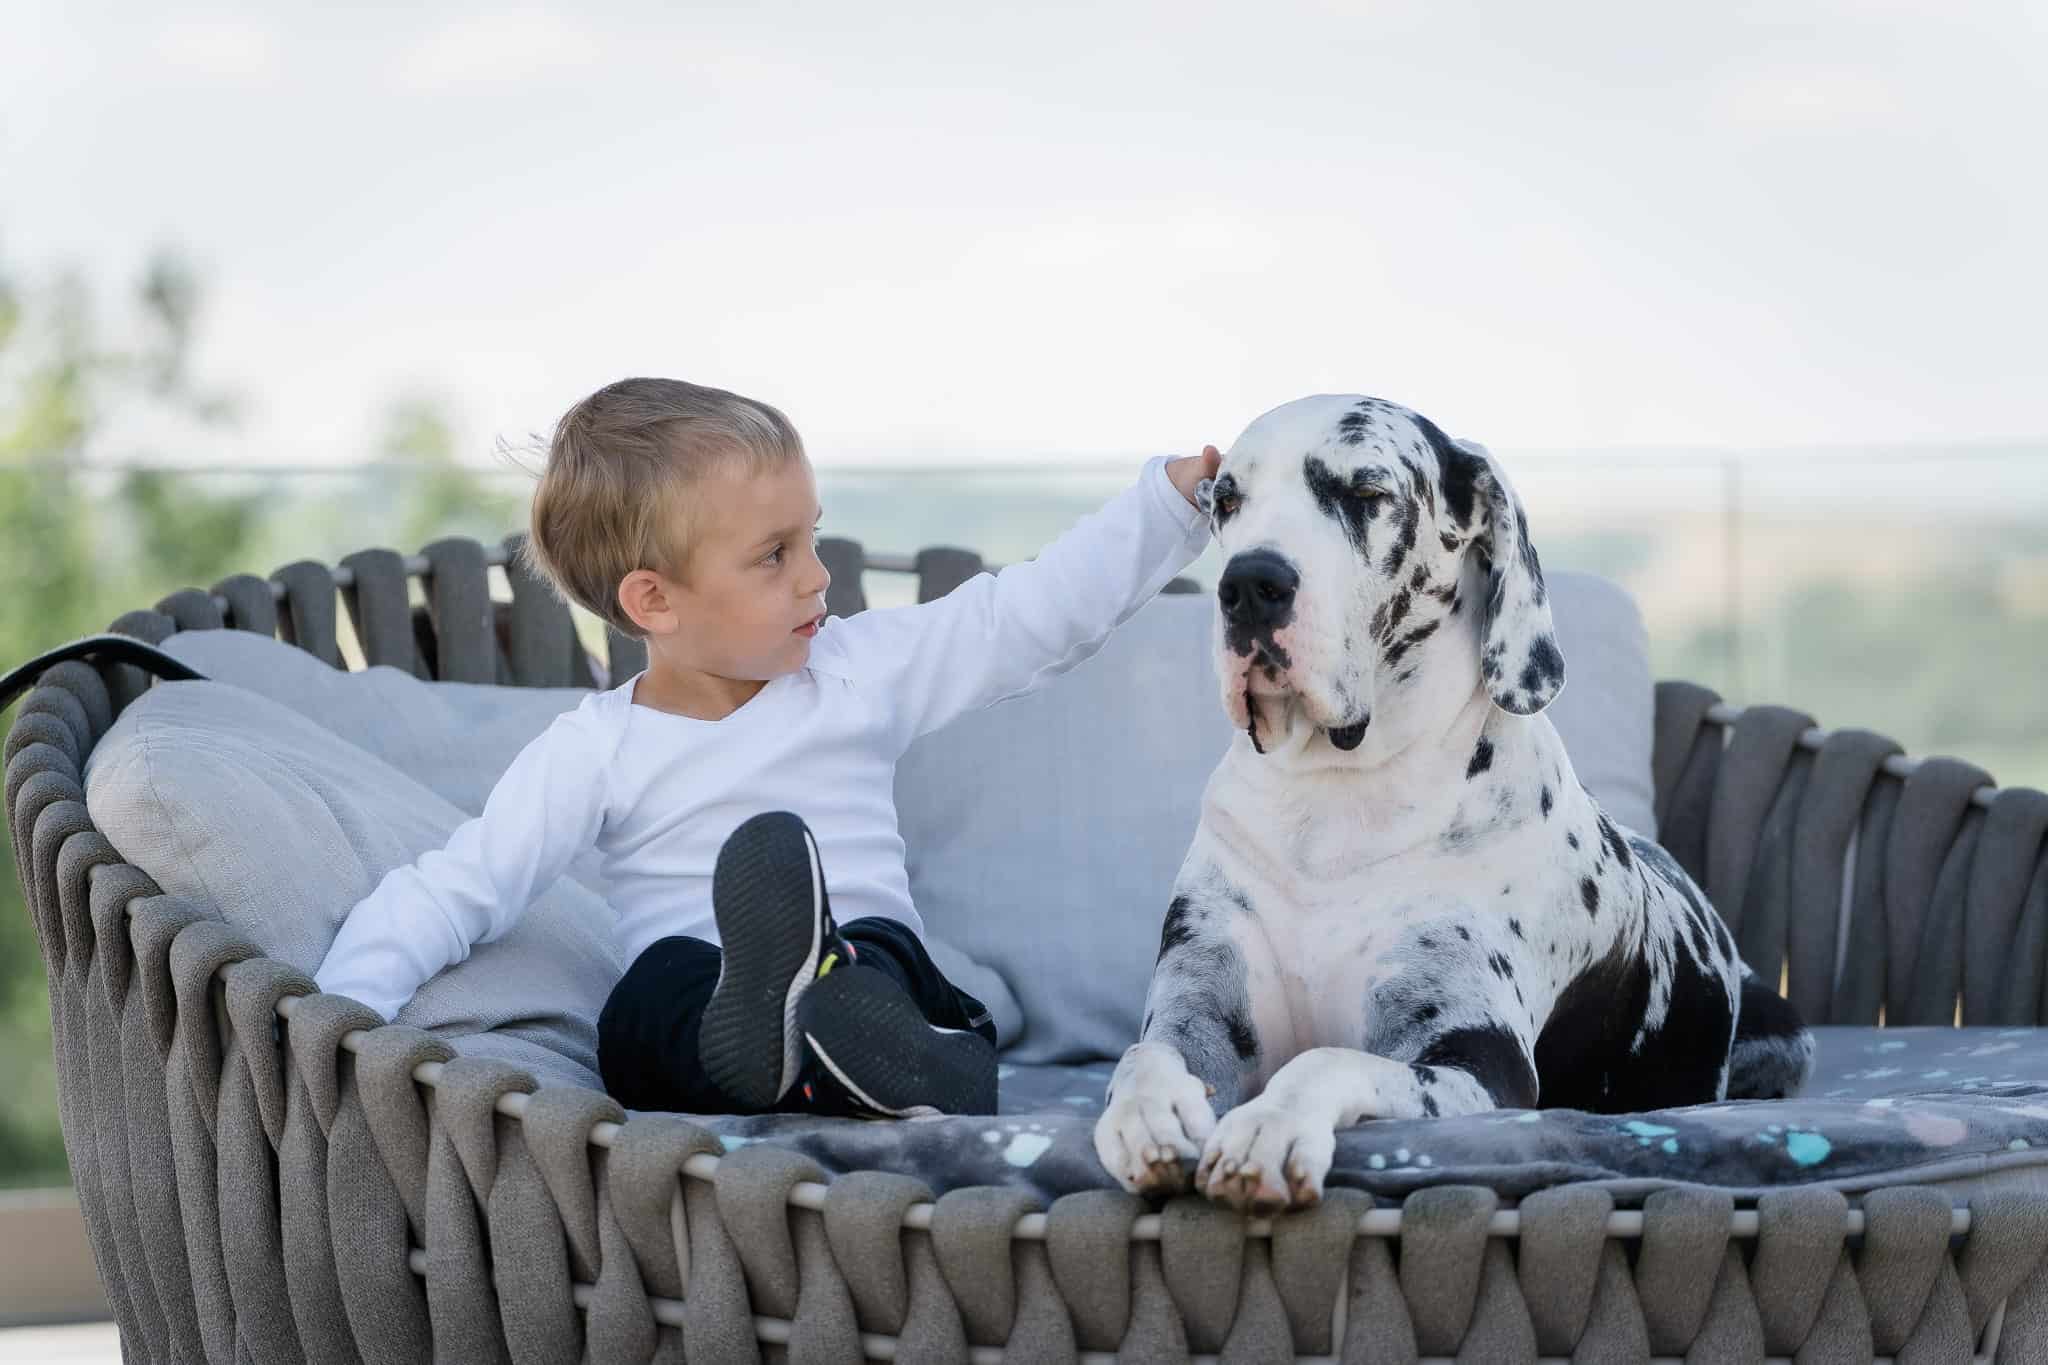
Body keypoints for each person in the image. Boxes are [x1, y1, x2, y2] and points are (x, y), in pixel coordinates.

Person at [313, 377, 1217, 1118]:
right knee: (646, 997)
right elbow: (463, 883)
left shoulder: (854, 670)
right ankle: (777, 1043)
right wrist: (336, 1023)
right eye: (774, 554)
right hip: (714, 1017)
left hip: (870, 975)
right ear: (654, 602)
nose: (817, 575)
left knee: (877, 953)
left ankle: (866, 1040)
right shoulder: (598, 750)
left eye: (810, 536)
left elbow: (1019, 617)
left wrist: (1164, 509)